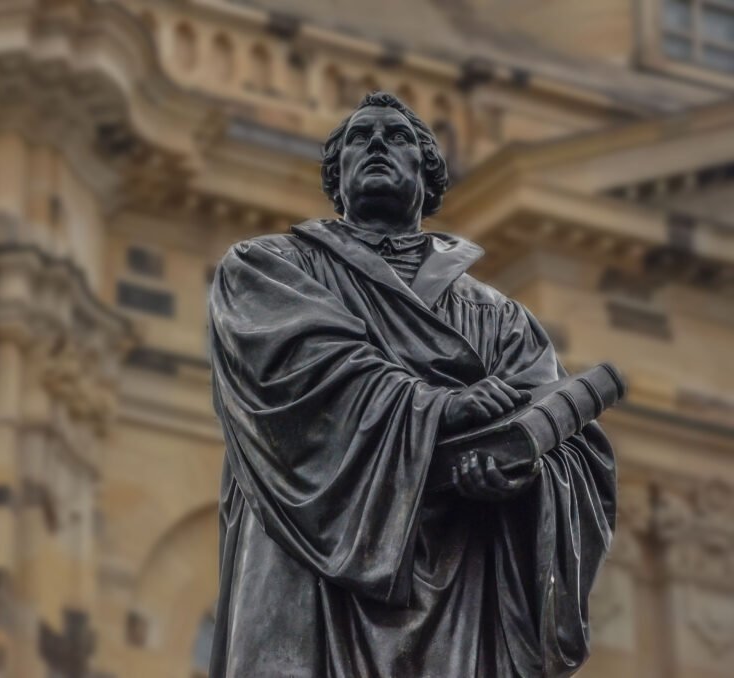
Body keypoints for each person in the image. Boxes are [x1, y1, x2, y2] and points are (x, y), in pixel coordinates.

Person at [207, 92, 616, 677]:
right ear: (337, 177)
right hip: (304, 559)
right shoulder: (267, 267)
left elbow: (568, 446)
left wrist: (520, 475)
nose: (376, 144)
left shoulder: (500, 317)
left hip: (452, 581)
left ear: (427, 175)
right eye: (359, 138)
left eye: (397, 137)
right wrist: (435, 407)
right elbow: (298, 367)